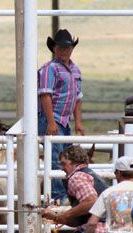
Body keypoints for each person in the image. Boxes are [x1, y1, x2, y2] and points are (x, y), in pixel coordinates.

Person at [38, 29, 84, 204]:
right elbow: (45, 95)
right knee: (57, 158)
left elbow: (78, 97)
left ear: (72, 49)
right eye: (61, 47)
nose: (65, 50)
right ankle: (58, 197)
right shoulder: (49, 68)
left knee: (66, 158)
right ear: (54, 49)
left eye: (68, 47)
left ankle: (66, 193)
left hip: (64, 121)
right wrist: (50, 121)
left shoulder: (75, 69)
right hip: (53, 118)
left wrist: (78, 121)